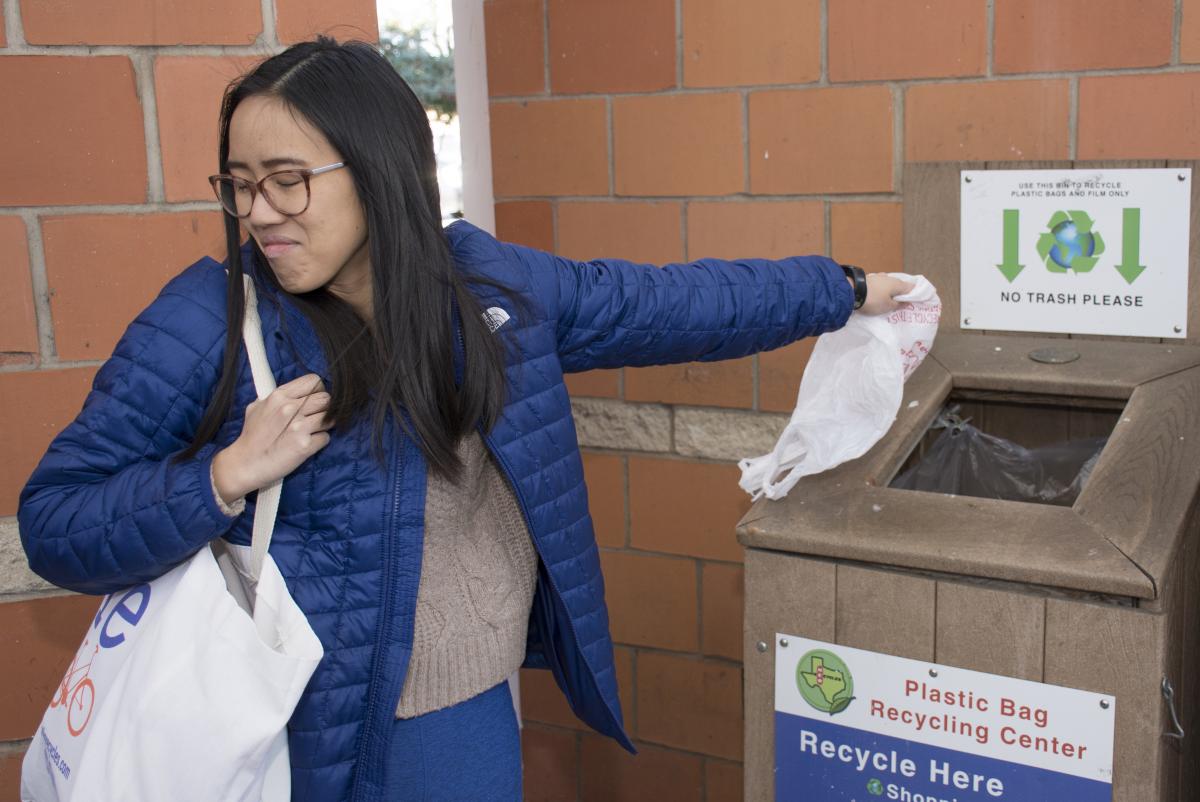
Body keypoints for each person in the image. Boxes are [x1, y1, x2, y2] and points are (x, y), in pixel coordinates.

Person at [18, 37, 912, 802]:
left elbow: (672, 303)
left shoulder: (491, 290)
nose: (259, 213)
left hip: (463, 715)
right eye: (240, 185)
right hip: (287, 730)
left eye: (288, 182)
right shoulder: (209, 317)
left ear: (380, 169)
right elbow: (56, 518)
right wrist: (222, 477)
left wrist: (845, 291)